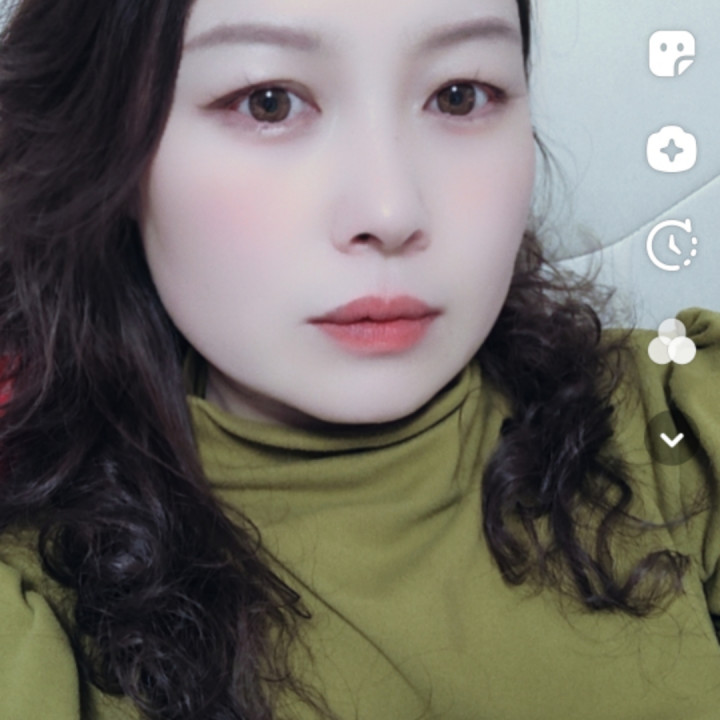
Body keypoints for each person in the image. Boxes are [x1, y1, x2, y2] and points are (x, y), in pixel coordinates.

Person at [0, 0, 719, 719]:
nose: (390, 211)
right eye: (269, 102)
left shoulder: (681, 429)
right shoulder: (33, 610)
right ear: (112, 145)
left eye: (459, 96)